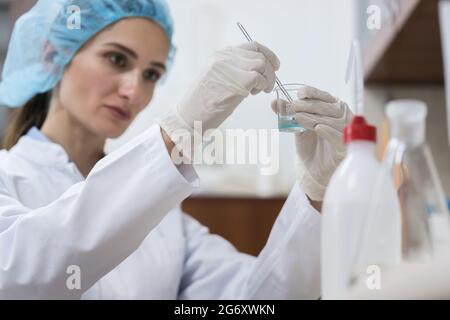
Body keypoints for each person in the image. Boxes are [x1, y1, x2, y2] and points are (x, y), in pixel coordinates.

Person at [0, 0, 353, 299]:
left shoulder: (164, 219)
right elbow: (22, 270)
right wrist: (179, 129)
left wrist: (316, 192)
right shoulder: (7, 178)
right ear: (52, 56)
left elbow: (257, 298)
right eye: (117, 59)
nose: (134, 90)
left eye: (152, 74)